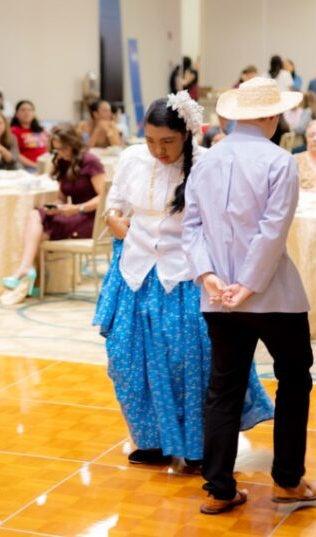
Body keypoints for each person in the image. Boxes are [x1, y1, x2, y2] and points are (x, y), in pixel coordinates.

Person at [93, 93, 273, 472]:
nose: (158, 150)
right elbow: (117, 200)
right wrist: (112, 216)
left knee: (187, 363)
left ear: (188, 135)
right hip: (136, 274)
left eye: (168, 142)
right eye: (150, 141)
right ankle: (153, 440)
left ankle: (196, 446)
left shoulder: (209, 165)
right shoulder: (131, 159)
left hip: (187, 277)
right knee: (129, 361)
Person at [183, 77, 316, 515]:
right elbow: (272, 230)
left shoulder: (206, 161)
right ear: (271, 116)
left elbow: (191, 227)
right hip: (272, 295)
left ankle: (220, 487)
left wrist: (209, 276)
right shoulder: (281, 160)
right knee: (295, 378)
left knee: (223, 386)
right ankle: (286, 481)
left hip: (219, 296)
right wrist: (248, 284)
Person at [1, 125, 107, 300]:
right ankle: (31, 271)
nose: (60, 153)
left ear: (73, 144)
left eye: (63, 148)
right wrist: (55, 207)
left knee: (38, 230)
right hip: (74, 214)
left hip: (91, 218)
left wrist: (78, 208)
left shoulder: (90, 161)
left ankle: (32, 276)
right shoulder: (64, 162)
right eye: (57, 149)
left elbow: (104, 197)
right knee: (37, 216)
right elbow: (62, 199)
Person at [10, 100, 49, 172]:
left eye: (30, 110)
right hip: (28, 167)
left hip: (46, 165)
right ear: (16, 114)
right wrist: (35, 165)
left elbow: (48, 148)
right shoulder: (13, 131)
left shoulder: (41, 130)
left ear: (34, 114)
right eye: (23, 110)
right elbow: (16, 154)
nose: (26, 112)